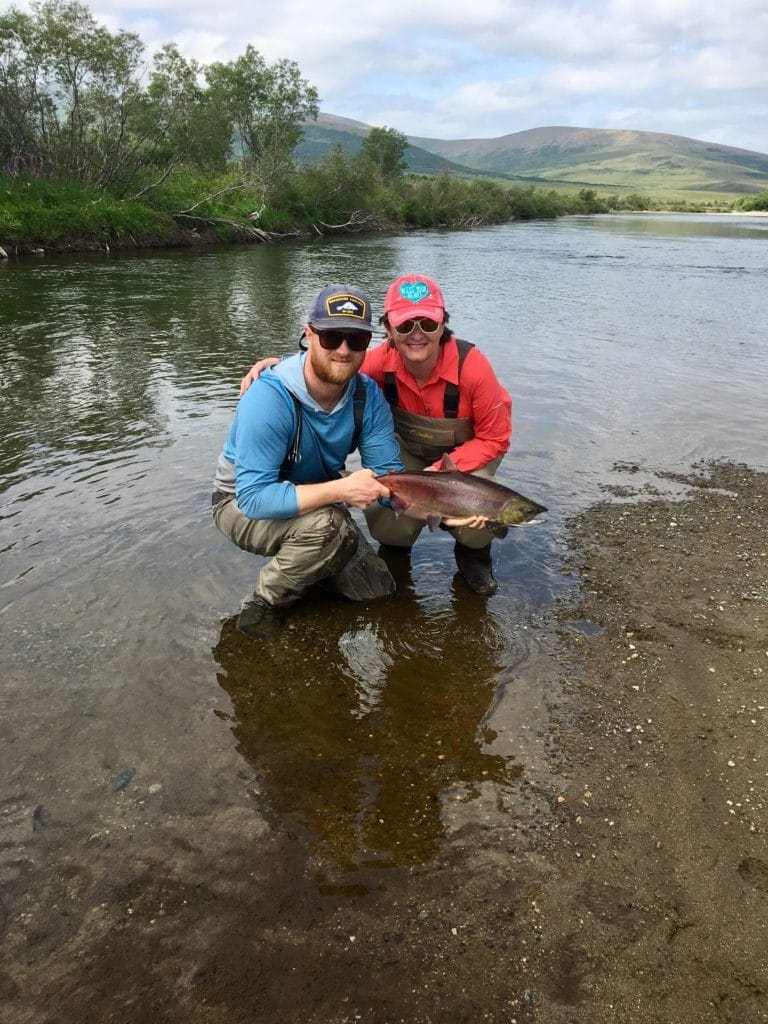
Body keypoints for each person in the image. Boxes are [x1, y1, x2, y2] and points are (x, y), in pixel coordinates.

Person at [240, 275, 512, 595]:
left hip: (469, 458)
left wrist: (436, 477)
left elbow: (496, 439)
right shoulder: (377, 362)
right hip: (408, 452)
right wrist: (279, 366)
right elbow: (333, 363)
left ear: (443, 325)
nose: (417, 334)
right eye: (405, 325)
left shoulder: (473, 368)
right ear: (388, 330)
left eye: (427, 323)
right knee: (388, 522)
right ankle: (397, 556)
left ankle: (474, 555)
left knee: (483, 506)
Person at [212, 283, 404, 639]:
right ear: (309, 335)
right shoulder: (268, 397)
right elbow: (254, 499)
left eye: (356, 340)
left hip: (315, 497)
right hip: (238, 501)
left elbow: (389, 478)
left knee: (377, 590)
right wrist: (343, 489)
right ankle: (265, 601)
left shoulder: (367, 395)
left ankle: (310, 565)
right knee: (332, 527)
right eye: (332, 337)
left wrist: (447, 506)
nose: (344, 351)